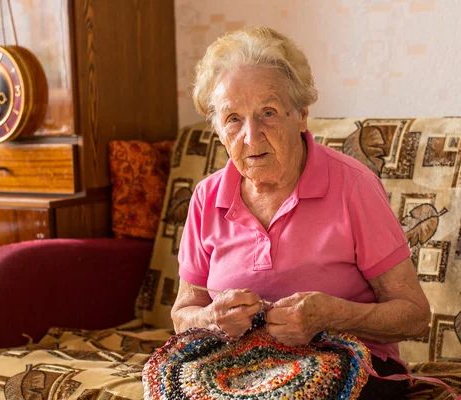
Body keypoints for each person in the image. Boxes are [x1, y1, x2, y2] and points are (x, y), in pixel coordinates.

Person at [170, 26, 430, 399]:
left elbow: (415, 314)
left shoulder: (352, 186)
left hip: (347, 365)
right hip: (238, 368)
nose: (251, 135)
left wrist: (333, 315)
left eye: (269, 113)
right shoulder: (206, 197)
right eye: (232, 119)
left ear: (302, 114)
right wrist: (212, 320)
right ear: (218, 129)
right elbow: (184, 312)